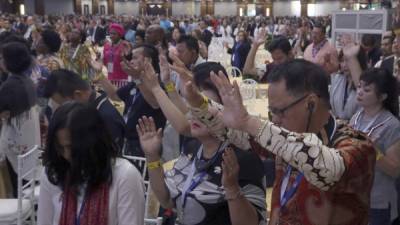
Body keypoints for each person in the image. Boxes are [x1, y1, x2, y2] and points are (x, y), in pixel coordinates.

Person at [184, 59, 376, 225]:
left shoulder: (358, 145)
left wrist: (248, 122)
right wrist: (198, 102)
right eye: (271, 112)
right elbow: (240, 133)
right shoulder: (285, 136)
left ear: (311, 103)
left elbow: (328, 168)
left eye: (279, 111)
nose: (274, 120)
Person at [137, 62, 266, 225]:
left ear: (224, 112)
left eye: (203, 108)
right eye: (192, 107)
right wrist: (152, 157)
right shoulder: (193, 147)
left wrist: (233, 189)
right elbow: (166, 200)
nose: (194, 114)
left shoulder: (242, 159)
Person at [37, 102, 145, 225]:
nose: (66, 155)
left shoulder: (124, 175)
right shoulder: (55, 171)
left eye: (73, 148)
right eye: (60, 148)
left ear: (93, 143)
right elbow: (44, 221)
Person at [349, 68, 400, 225]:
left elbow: (395, 170)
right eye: (359, 86)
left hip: (377, 201)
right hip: (354, 195)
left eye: (367, 89)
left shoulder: (392, 125)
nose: (360, 92)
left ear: (382, 96)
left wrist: (373, 150)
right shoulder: (356, 117)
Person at [97, 44, 166, 157]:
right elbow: (115, 95)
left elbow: (154, 103)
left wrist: (137, 78)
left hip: (147, 144)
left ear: (147, 60)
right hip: (128, 141)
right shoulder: (134, 84)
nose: (131, 61)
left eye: (135, 57)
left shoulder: (158, 86)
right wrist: (99, 73)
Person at [43, 69, 126, 150]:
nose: (62, 110)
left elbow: (109, 159)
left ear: (77, 95)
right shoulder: (88, 111)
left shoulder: (106, 118)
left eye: (63, 104)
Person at [0, 42, 40, 197]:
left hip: (16, 139)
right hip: (28, 138)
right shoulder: (26, 80)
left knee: (17, 180)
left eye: (3, 57)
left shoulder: (10, 85)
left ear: (10, 61)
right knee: (23, 178)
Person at [330, 43, 367, 121]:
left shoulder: (366, 82)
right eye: (342, 61)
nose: (344, 65)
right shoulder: (337, 78)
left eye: (347, 60)